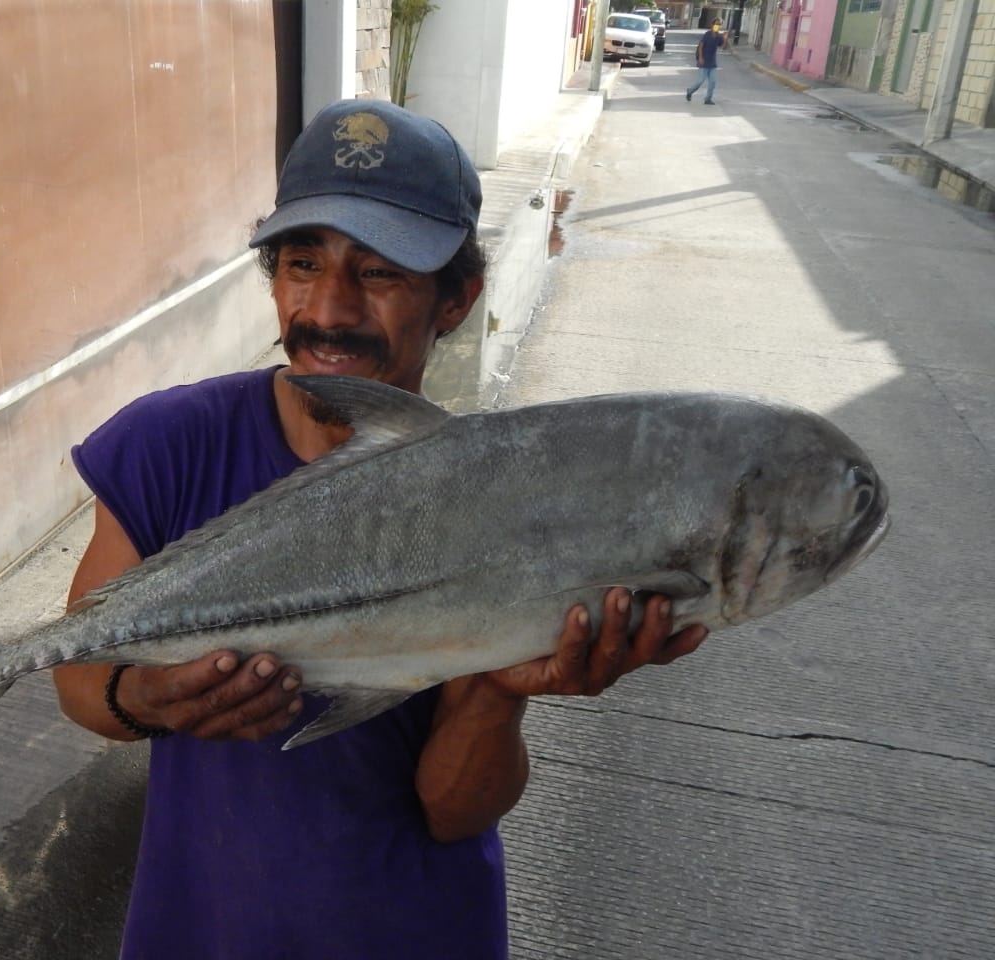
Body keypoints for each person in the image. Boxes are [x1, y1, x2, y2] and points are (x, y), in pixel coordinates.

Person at [52, 98, 708, 959]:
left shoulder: (511, 499)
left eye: (381, 272)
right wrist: (137, 696)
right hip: (200, 930)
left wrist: (501, 687)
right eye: (300, 262)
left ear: (456, 300)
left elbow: (453, 808)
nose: (327, 309)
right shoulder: (167, 445)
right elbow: (78, 677)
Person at [686, 18, 729, 105]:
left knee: (712, 82)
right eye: (716, 24)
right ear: (712, 25)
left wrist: (725, 38)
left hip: (712, 63)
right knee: (700, 81)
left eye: (719, 25)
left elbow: (724, 47)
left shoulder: (719, 36)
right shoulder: (707, 34)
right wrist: (701, 58)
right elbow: (701, 46)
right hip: (704, 61)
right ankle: (690, 91)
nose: (717, 26)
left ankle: (708, 99)